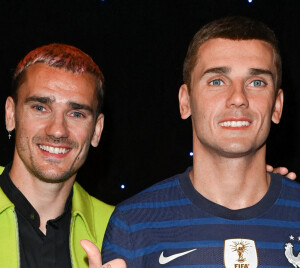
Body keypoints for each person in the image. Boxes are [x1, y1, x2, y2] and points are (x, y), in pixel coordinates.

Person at [99, 16, 300, 267]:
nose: (238, 97)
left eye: (256, 82)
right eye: (217, 81)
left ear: (277, 106)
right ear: (185, 102)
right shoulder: (134, 223)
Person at [0, 43, 125, 268]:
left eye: (76, 113)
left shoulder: (120, 230)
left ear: (97, 130)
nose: (57, 130)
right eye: (40, 108)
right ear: (11, 115)